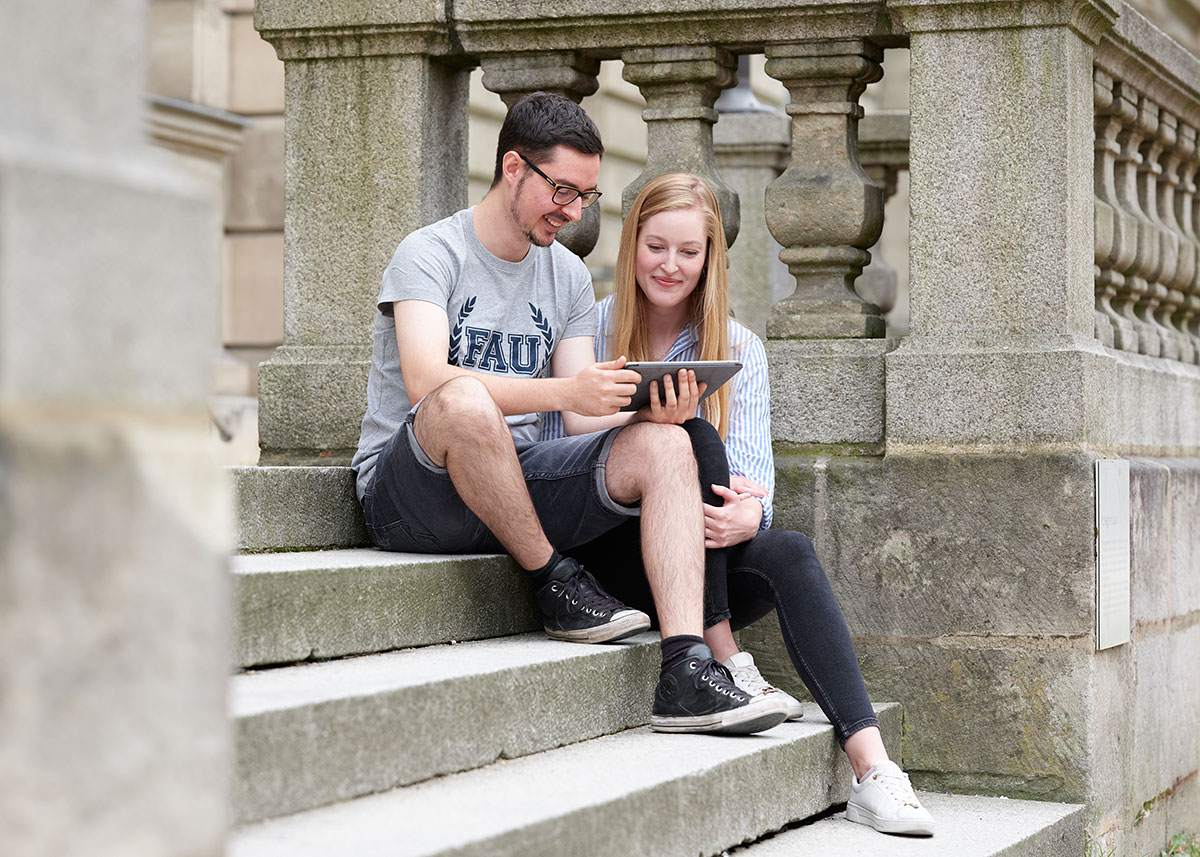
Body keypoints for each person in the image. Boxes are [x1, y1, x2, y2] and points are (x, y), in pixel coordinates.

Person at [350, 94, 788, 736]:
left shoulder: (568, 277)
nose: (574, 211)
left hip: (513, 485)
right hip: (411, 493)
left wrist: (652, 409)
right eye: (561, 189)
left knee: (668, 445)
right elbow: (427, 382)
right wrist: (566, 394)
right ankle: (555, 580)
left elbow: (584, 422)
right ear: (512, 169)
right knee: (464, 398)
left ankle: (685, 669)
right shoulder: (430, 253)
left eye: (585, 195)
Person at [541, 172, 936, 836]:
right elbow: (559, 454)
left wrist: (751, 514)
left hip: (701, 557)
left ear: (710, 257)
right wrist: (650, 433)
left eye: (688, 252)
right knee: (689, 433)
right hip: (608, 552)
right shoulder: (592, 326)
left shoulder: (739, 348)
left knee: (789, 549)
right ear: (632, 242)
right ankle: (722, 652)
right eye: (655, 246)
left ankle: (872, 768)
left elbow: (756, 483)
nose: (670, 265)